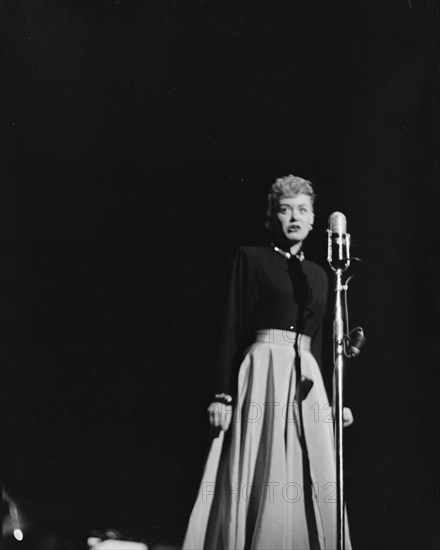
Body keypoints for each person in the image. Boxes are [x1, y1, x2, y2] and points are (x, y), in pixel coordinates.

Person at [182, 175, 353, 550]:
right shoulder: (252, 258)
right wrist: (222, 395)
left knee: (313, 474)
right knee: (265, 468)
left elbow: (319, 342)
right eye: (285, 209)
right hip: (264, 372)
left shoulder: (321, 276)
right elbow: (232, 325)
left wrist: (333, 401)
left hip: (306, 376)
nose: (294, 217)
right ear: (272, 217)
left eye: (302, 210)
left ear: (313, 220)